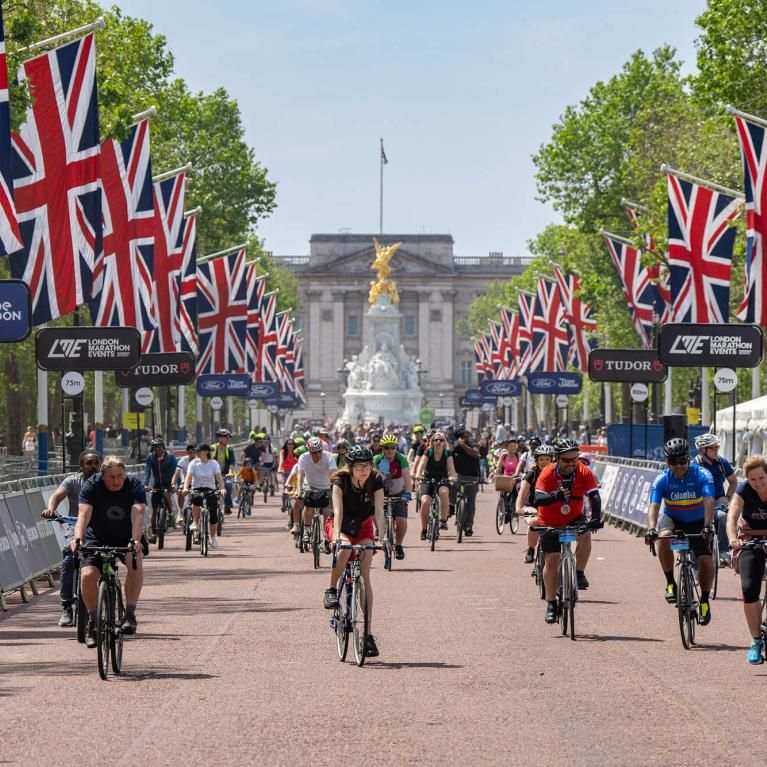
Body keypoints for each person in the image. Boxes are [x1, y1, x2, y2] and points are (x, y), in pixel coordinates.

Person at [74, 456, 146, 647]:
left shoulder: (134, 485)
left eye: (120, 476)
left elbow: (137, 514)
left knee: (134, 560)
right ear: (102, 475)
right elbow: (83, 515)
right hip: (97, 537)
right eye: (111, 477)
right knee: (88, 575)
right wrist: (78, 538)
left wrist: (135, 540)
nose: (116, 481)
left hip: (127, 536)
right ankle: (92, 622)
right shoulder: (92, 485)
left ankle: (129, 614)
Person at [645, 438, 715, 625]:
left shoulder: (702, 474)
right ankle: (670, 582)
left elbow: (709, 501)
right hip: (674, 519)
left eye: (683, 461)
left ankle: (705, 601)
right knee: (664, 537)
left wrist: (708, 526)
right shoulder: (662, 478)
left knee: (706, 561)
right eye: (673, 462)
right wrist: (651, 529)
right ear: (667, 462)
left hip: (699, 520)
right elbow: (653, 505)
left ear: (689, 459)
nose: (679, 466)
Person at [323, 445, 385, 658]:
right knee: (344, 550)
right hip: (341, 525)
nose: (363, 470)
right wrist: (335, 538)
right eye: (358, 466)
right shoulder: (339, 481)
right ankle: (331, 590)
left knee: (365, 575)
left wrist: (382, 538)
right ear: (350, 468)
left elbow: (379, 511)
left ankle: (367, 634)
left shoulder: (376, 481)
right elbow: (337, 512)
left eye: (367, 466)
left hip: (364, 526)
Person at [534, 439, 602, 624]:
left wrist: (595, 518)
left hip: (573, 517)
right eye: (566, 460)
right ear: (557, 459)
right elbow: (538, 498)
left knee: (586, 534)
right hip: (549, 520)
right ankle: (551, 603)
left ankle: (579, 572)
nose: (571, 463)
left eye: (575, 459)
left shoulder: (583, 471)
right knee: (553, 559)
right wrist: (555, 495)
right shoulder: (548, 472)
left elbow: (594, 496)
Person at [42, 450, 102, 627]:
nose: (93, 466)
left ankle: (108, 594)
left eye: (96, 463)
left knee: (109, 557)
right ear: (81, 465)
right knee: (69, 557)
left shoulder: (106, 481)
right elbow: (56, 496)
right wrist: (51, 509)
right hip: (74, 525)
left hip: (100, 528)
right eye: (89, 463)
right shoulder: (72, 481)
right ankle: (67, 606)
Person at [727, 455, 767, 663]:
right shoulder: (743, 490)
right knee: (749, 588)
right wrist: (734, 539)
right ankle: (756, 640)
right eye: (753, 480)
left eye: (762, 478)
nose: (758, 483)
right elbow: (732, 515)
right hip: (750, 540)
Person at [694, 432, 737, 566]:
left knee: (723, 517)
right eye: (712, 448)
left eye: (717, 447)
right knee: (695, 526)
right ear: (703, 450)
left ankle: (724, 552)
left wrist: (727, 497)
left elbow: (734, 482)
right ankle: (693, 562)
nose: (716, 451)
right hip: (701, 504)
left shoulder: (721, 462)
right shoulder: (694, 466)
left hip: (718, 502)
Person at [373, 435, 412, 558]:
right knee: (373, 512)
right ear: (382, 449)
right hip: (381, 493)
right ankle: (380, 529)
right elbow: (371, 477)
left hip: (398, 492)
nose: (390, 450)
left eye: (393, 447)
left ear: (396, 448)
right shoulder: (377, 459)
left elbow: (407, 478)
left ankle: (398, 545)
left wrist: (407, 494)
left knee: (402, 520)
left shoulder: (401, 459)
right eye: (387, 447)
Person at [182, 443, 227, 549]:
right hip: (197, 488)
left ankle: (213, 537)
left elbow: (219, 477)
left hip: (210, 489)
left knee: (213, 514)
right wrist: (185, 488)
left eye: (199, 451)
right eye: (196, 451)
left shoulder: (213, 463)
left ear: (206, 452)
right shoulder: (193, 463)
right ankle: (195, 523)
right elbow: (188, 477)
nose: (197, 453)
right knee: (196, 499)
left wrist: (222, 488)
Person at [414, 431, 456, 540]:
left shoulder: (447, 453)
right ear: (432, 442)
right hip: (427, 479)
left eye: (441, 440)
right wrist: (418, 474)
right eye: (436, 440)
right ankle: (424, 529)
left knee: (444, 492)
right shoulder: (429, 452)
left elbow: (451, 468)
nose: (438, 442)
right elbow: (421, 464)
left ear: (444, 442)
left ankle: (443, 520)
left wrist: (452, 476)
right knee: (425, 501)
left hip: (442, 479)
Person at [516, 444, 555, 563]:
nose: (544, 462)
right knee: (534, 522)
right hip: (532, 507)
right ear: (537, 460)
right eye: (541, 459)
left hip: (551, 508)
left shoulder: (557, 474)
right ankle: (531, 549)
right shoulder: (531, 475)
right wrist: (518, 508)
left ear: (552, 460)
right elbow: (522, 495)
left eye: (547, 459)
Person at [291, 436, 336, 538]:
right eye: (314, 452)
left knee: (327, 509)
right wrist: (298, 491)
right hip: (309, 485)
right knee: (307, 504)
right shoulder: (303, 457)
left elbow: (333, 475)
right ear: (309, 452)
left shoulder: (329, 457)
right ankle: (305, 530)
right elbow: (300, 476)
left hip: (326, 486)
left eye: (319, 451)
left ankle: (326, 534)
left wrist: (336, 488)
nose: (317, 455)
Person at [143, 438, 178, 541]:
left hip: (168, 484)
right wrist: (145, 484)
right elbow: (147, 472)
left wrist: (175, 484)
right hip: (157, 485)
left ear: (163, 447)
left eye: (159, 446)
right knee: (154, 511)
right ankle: (153, 534)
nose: (157, 449)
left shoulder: (171, 458)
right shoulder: (150, 458)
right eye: (155, 447)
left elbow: (176, 473)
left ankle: (171, 515)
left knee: (167, 495)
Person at [451, 428, 481, 536]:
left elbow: (475, 454)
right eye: (463, 436)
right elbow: (448, 457)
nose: (466, 437)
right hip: (459, 476)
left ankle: (469, 526)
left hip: (472, 477)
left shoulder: (473, 444)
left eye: (467, 434)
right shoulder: (455, 446)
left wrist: (463, 445)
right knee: (450, 486)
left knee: (471, 502)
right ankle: (452, 507)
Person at [211, 428, 237, 514]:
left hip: (225, 474)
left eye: (228, 437)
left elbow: (232, 463)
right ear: (220, 438)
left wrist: (230, 472)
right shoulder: (213, 448)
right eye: (227, 437)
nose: (229, 439)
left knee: (228, 484)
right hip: (213, 474)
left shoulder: (229, 449)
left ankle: (227, 506)